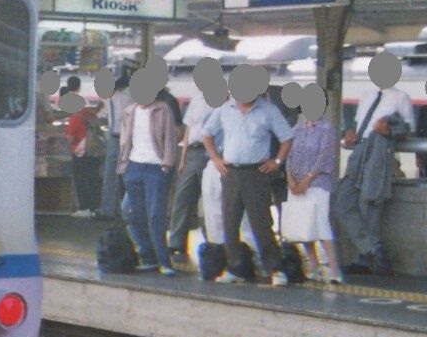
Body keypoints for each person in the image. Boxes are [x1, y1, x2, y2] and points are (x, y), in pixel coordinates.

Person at [201, 69, 294, 286]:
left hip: (257, 173)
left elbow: (287, 138)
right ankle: (235, 268)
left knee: (261, 223)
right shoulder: (224, 110)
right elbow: (207, 134)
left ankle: (275, 269)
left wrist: (277, 162)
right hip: (230, 171)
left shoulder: (269, 111)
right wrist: (215, 158)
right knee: (229, 222)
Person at [334, 55, 413, 275]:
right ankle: (373, 248)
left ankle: (365, 258)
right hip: (360, 150)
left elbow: (407, 130)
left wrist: (388, 130)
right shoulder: (366, 96)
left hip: (380, 151)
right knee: (343, 201)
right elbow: (360, 127)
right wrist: (351, 135)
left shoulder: (401, 97)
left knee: (369, 203)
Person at [116, 78, 180, 275]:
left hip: (156, 168)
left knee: (155, 216)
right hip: (133, 167)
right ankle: (149, 257)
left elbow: (170, 138)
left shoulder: (163, 109)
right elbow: (125, 139)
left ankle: (164, 262)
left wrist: (167, 163)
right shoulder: (129, 111)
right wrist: (124, 165)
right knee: (136, 216)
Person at [282, 104, 341, 283]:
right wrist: (291, 180)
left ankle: (334, 270)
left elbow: (324, 157)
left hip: (318, 184)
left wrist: (307, 180)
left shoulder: (327, 129)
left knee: (321, 224)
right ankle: (314, 268)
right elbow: (289, 157)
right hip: (296, 185)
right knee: (304, 225)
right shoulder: (296, 130)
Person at [167, 93, 216, 262]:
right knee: (182, 198)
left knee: (211, 201)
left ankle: (214, 242)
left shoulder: (223, 98)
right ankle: (176, 242)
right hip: (192, 152)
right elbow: (188, 129)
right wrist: (183, 159)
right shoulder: (196, 99)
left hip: (210, 153)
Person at [98, 69, 132, 219]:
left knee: (126, 176)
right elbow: (103, 115)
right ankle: (108, 211)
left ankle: (127, 211)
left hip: (124, 140)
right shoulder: (107, 101)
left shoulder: (125, 99)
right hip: (113, 138)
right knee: (109, 175)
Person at [66, 103, 102, 216]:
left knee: (81, 181)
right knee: (93, 180)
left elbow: (70, 139)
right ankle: (94, 208)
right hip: (94, 152)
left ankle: (85, 208)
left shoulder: (75, 118)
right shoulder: (92, 116)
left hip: (81, 153)